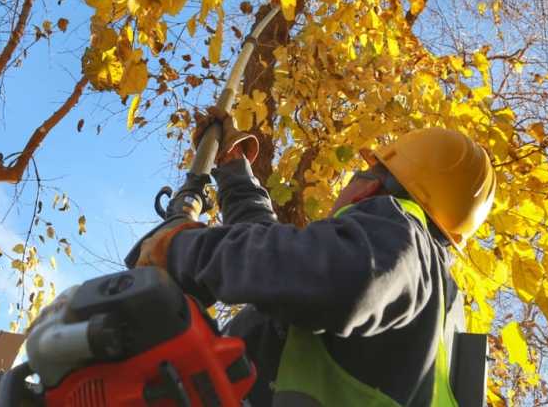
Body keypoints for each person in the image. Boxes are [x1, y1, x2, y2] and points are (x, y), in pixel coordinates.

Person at [136, 110, 497, 407]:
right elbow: (285, 266)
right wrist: (234, 171)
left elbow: (325, 274)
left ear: (371, 187)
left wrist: (181, 249)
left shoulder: (400, 231)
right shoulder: (435, 311)